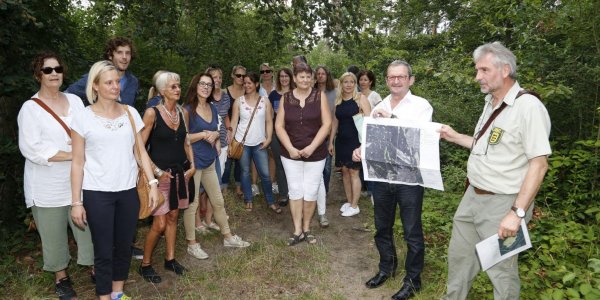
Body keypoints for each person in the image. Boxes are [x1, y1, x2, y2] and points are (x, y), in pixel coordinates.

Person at [439, 42, 551, 300]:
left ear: (505, 70)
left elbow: (539, 164)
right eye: (477, 70)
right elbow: (485, 147)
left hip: (503, 203)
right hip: (472, 197)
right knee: (459, 259)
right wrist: (454, 137)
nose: (477, 76)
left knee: (500, 270)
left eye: (484, 70)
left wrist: (517, 213)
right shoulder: (491, 102)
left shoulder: (528, 107)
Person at [70, 60, 160, 300]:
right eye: (108, 82)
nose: (115, 86)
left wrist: (152, 184)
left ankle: (118, 293)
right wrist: (76, 202)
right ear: (95, 86)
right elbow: (77, 162)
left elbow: (140, 151)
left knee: (124, 246)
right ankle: (103, 296)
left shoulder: (130, 113)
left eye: (117, 82)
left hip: (128, 191)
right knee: (102, 250)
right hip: (96, 192)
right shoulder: (83, 117)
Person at [352, 60, 433, 300]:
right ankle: (387, 268)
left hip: (409, 178)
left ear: (411, 79)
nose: (396, 81)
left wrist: (392, 117)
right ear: (386, 80)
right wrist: (361, 149)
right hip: (381, 175)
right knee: (382, 227)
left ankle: (413, 280)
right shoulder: (380, 103)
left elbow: (419, 139)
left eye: (401, 77)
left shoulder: (421, 106)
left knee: (412, 232)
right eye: (391, 77)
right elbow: (376, 139)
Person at [18, 52, 94, 300]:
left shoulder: (75, 100)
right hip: (46, 183)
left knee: (87, 227)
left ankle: (95, 267)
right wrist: (74, 154)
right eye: (47, 70)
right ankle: (61, 277)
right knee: (52, 233)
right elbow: (32, 149)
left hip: (78, 180)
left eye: (57, 69)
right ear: (38, 74)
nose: (54, 74)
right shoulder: (30, 108)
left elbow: (87, 132)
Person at [183, 73, 251, 260]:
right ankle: (192, 243)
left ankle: (228, 237)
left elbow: (217, 128)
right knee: (193, 204)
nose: (206, 87)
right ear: (195, 86)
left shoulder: (213, 107)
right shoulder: (187, 110)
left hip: (210, 161)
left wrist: (214, 133)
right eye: (202, 84)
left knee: (218, 200)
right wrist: (204, 134)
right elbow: (183, 137)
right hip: (194, 163)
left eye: (209, 85)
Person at [137, 72, 194, 283]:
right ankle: (145, 265)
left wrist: (194, 165)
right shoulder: (152, 113)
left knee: (173, 217)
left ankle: (170, 259)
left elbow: (186, 141)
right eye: (172, 87)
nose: (177, 89)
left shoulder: (182, 112)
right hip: (158, 179)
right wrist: (157, 173)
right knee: (159, 224)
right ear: (162, 91)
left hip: (180, 173)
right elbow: (138, 148)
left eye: (178, 86)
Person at [275, 63, 332, 245]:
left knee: (311, 191)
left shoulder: (319, 96)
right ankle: (297, 230)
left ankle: (307, 228)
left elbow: (327, 124)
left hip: (316, 153)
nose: (305, 80)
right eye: (301, 76)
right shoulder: (286, 98)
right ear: (294, 78)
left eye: (308, 77)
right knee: (295, 191)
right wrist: (290, 148)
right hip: (290, 153)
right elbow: (278, 126)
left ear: (312, 79)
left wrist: (312, 147)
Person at [230, 72, 279, 213]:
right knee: (245, 172)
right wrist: (231, 140)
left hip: (260, 143)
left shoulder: (265, 101)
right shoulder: (239, 101)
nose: (246, 85)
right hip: (242, 142)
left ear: (256, 84)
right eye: (244, 83)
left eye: (249, 83)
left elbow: (269, 121)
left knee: (265, 173)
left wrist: (268, 138)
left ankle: (270, 201)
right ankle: (248, 199)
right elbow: (234, 122)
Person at [329, 72, 371, 217]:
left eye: (351, 82)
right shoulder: (338, 100)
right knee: (345, 172)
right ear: (341, 84)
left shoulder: (360, 99)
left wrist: (365, 144)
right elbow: (335, 122)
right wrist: (331, 142)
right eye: (345, 82)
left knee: (354, 172)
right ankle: (349, 201)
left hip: (356, 142)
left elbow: (369, 122)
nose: (348, 84)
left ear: (355, 84)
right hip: (341, 141)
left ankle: (354, 205)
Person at [66, 37, 138, 106]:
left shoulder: (133, 82)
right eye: (119, 52)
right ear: (110, 55)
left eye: (128, 53)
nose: (124, 57)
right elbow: (67, 94)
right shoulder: (96, 77)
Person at [314, 65, 338, 227]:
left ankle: (324, 193)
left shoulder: (334, 92)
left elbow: (335, 117)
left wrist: (331, 139)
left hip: (328, 135)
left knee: (327, 168)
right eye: (318, 74)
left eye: (323, 73)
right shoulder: (311, 91)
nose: (321, 76)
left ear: (327, 76)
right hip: (312, 135)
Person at [268, 68, 295, 207]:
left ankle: (295, 192)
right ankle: (284, 194)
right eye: (281, 76)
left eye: (286, 76)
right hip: (277, 133)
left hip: (294, 133)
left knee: (294, 162)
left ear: (291, 78)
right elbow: (269, 116)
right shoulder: (273, 95)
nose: (284, 79)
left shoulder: (296, 93)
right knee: (279, 163)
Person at [222, 65, 246, 198]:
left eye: (243, 76)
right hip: (228, 129)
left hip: (243, 130)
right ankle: (224, 186)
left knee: (240, 160)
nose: (241, 78)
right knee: (227, 160)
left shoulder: (247, 91)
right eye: (238, 75)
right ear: (232, 76)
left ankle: (238, 186)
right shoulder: (225, 92)